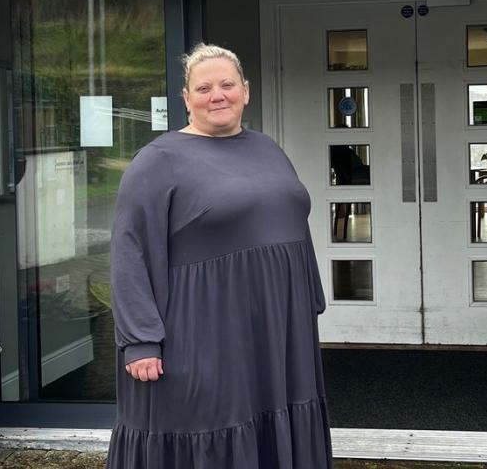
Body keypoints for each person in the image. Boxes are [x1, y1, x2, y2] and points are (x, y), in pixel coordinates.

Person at [106, 44, 333, 469]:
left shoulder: (267, 148)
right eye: (204, 87)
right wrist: (140, 341)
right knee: (208, 422)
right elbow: (128, 251)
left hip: (276, 329)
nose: (217, 95)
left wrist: (308, 299)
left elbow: (292, 222)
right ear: (186, 99)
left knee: (271, 415)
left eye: (227, 85)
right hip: (199, 329)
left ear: (245, 91)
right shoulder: (158, 161)